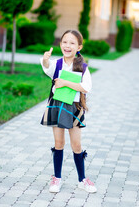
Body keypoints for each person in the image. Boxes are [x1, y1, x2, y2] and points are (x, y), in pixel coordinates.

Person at [40, 29, 97, 194]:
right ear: (60, 44)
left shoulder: (82, 67)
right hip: (57, 106)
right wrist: (45, 60)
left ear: (79, 46)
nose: (67, 45)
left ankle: (82, 180)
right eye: (65, 42)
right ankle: (57, 178)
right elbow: (47, 68)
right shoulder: (57, 63)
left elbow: (86, 87)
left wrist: (64, 82)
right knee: (59, 143)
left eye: (72, 43)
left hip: (74, 108)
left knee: (76, 145)